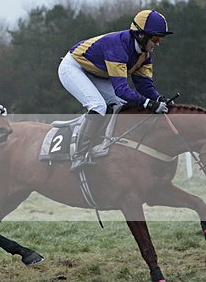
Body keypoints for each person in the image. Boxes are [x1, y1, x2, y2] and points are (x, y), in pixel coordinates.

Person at [57, 9, 174, 171]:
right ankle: (79, 154)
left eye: (160, 39)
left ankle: (101, 142)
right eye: (155, 38)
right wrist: (148, 103)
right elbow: (121, 90)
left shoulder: (145, 55)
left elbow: (144, 85)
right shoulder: (117, 48)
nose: (158, 43)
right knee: (98, 106)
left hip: (97, 72)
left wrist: (159, 98)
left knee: (121, 105)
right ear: (141, 35)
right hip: (74, 67)